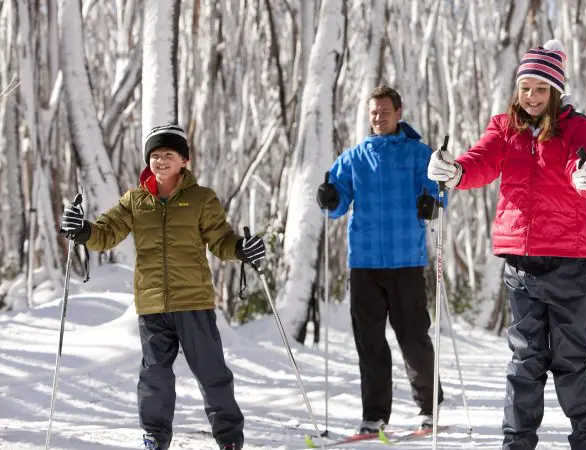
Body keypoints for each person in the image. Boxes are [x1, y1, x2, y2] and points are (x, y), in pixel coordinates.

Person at [428, 40, 586, 450]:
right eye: (525, 87)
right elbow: (482, 161)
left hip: (570, 263)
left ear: (555, 91)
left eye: (540, 89)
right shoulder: (504, 128)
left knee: (571, 362)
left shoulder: (577, 127)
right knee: (525, 361)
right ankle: (517, 442)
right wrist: (455, 171)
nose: (530, 96)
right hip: (522, 266)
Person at [59, 125, 265, 450]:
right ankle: (155, 437)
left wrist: (241, 248)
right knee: (154, 377)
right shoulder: (135, 201)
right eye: (155, 155)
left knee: (212, 373)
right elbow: (106, 232)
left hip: (193, 302)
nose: (161, 160)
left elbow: (221, 240)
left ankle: (229, 439)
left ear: (184, 159)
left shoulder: (202, 199)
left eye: (168, 154)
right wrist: (82, 230)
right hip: (152, 304)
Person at [316, 86, 445, 433]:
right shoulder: (354, 157)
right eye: (373, 112)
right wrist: (329, 198)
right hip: (365, 262)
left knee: (413, 337)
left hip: (406, 259)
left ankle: (429, 407)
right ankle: (374, 415)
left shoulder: (420, 154)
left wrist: (431, 202)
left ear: (398, 113)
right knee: (369, 341)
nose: (379, 117)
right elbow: (338, 200)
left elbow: (437, 190)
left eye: (385, 111)